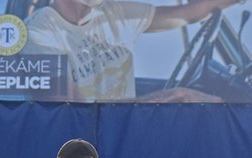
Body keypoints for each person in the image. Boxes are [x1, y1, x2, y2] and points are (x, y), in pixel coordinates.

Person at [24, 0, 245, 102]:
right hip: (87, 153)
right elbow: (74, 114)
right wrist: (170, 98)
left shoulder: (115, 13)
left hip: (128, 131)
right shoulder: (38, 33)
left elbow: (187, 14)